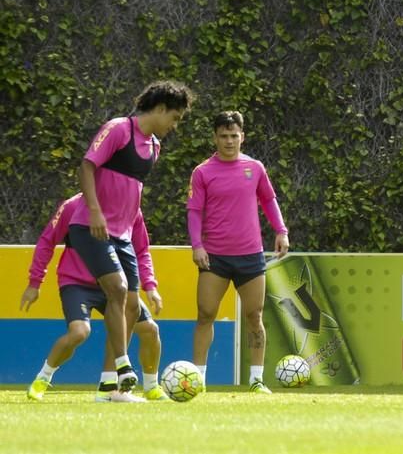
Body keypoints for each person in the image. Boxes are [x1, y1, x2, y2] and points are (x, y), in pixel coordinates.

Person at [67, 80, 194, 392]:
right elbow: (86, 167)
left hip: (122, 236)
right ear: (160, 108)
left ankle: (109, 387)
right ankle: (124, 367)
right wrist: (95, 211)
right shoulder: (118, 129)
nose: (174, 125)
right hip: (91, 225)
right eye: (174, 118)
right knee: (118, 289)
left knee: (132, 307)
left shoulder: (155, 147)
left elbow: (131, 192)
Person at [20, 193, 169, 402]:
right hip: (77, 283)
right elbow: (47, 241)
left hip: (114, 286)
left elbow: (141, 249)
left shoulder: (129, 207)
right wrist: (35, 283)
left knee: (150, 330)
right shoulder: (72, 206)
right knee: (79, 333)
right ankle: (43, 378)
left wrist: (150, 285)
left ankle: (150, 387)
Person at [187, 110, 289, 394]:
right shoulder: (202, 171)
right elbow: (194, 211)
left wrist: (281, 231)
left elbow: (269, 199)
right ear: (215, 137)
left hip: (250, 256)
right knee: (206, 314)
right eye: (224, 136)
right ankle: (197, 380)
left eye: (234, 135)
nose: (229, 141)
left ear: (242, 137)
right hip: (215, 257)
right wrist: (197, 246)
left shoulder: (255, 168)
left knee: (254, 316)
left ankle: (257, 379)